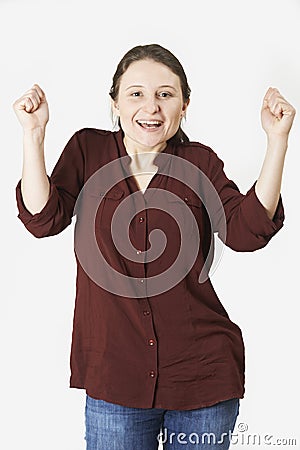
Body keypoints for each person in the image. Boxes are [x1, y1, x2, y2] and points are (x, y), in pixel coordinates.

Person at [13, 44, 295, 450]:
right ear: (115, 102)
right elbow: (43, 219)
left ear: (185, 105)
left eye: (165, 94)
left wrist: (277, 142)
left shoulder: (199, 162)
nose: (152, 107)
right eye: (137, 93)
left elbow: (245, 231)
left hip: (202, 378)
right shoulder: (87, 150)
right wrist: (33, 134)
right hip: (116, 380)